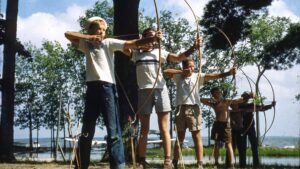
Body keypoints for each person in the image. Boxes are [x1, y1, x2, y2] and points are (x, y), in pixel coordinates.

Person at [65, 16, 162, 169]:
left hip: (107, 89)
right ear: (90, 29)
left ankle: (118, 166)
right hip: (91, 88)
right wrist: (90, 37)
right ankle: (80, 165)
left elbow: (133, 43)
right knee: (86, 131)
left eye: (104, 30)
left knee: (113, 131)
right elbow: (68, 34)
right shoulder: (86, 43)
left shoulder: (109, 42)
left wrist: (151, 39)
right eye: (98, 29)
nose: (102, 32)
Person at [122, 27, 201, 169]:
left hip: (160, 90)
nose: (152, 41)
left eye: (154, 38)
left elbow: (178, 58)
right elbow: (123, 47)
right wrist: (144, 41)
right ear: (143, 38)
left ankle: (167, 161)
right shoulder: (136, 54)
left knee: (164, 127)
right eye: (148, 37)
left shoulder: (160, 53)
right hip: (143, 91)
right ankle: (141, 160)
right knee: (144, 128)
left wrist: (193, 47)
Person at [164, 58, 236, 169]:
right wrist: (182, 72)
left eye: (193, 66)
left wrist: (228, 73)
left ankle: (200, 164)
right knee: (180, 137)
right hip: (180, 109)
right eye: (189, 66)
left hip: (194, 109)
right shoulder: (178, 76)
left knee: (196, 136)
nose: (192, 69)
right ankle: (175, 162)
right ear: (184, 66)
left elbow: (213, 76)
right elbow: (166, 72)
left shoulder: (197, 76)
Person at [201, 87, 251, 169]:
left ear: (220, 93)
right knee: (217, 144)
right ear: (213, 95)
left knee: (228, 144)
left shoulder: (226, 101)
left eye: (218, 92)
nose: (217, 94)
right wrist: (211, 99)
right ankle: (216, 163)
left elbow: (238, 101)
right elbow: (201, 100)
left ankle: (232, 165)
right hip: (217, 124)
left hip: (226, 125)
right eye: (215, 93)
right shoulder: (213, 103)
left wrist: (248, 96)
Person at [230, 92, 275, 168]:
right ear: (241, 98)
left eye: (247, 98)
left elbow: (261, 107)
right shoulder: (236, 105)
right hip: (241, 129)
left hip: (250, 128)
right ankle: (242, 165)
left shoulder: (251, 105)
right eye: (244, 98)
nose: (246, 100)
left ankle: (256, 164)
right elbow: (231, 106)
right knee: (242, 148)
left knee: (254, 146)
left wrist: (270, 105)